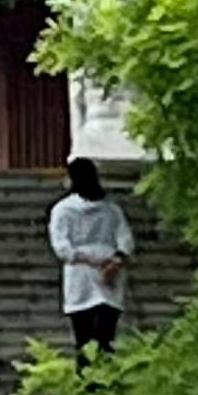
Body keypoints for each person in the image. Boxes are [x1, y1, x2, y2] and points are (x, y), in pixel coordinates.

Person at [49, 155, 135, 361]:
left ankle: (87, 379)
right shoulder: (112, 209)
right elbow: (126, 240)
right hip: (109, 272)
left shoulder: (62, 209)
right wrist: (114, 261)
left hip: (80, 273)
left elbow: (62, 247)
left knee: (84, 336)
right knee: (105, 335)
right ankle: (103, 379)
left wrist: (87, 258)